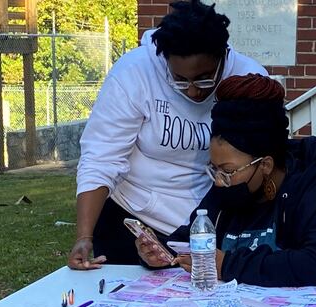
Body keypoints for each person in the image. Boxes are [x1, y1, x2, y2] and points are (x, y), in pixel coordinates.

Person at [68, 0, 266, 270]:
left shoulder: (247, 77)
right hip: (134, 220)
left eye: (205, 79)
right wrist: (84, 237)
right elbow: (101, 157)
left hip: (213, 220)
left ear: (223, 58)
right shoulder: (133, 73)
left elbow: (265, 155)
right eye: (180, 80)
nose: (193, 91)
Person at [138, 74, 316, 287]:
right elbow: (189, 241)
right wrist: (160, 252)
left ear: (265, 165)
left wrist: (230, 266)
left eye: (228, 171)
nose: (220, 181)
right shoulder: (228, 188)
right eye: (214, 169)